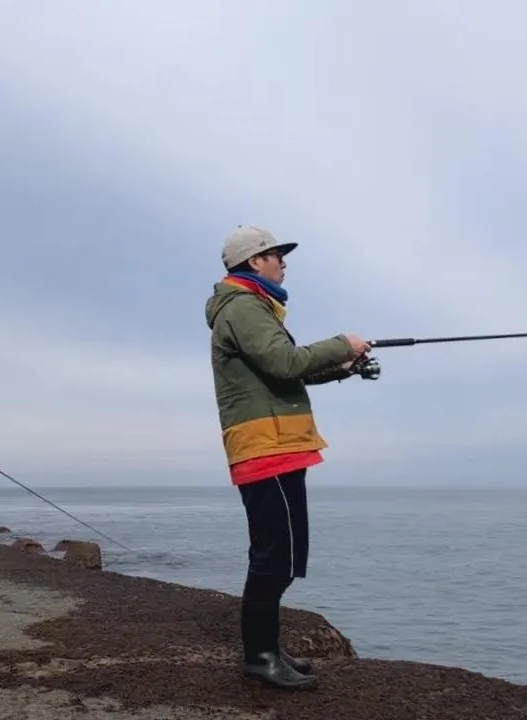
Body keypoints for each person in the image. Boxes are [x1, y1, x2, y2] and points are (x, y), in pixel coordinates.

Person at [204, 225, 370, 689]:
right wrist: (343, 343)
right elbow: (286, 362)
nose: (283, 262)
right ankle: (260, 657)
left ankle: (269, 649)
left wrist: (344, 367)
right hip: (266, 447)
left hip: (278, 445)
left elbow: (287, 371)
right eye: (277, 255)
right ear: (255, 261)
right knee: (274, 556)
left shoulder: (252, 306)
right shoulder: (242, 307)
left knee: (282, 554)